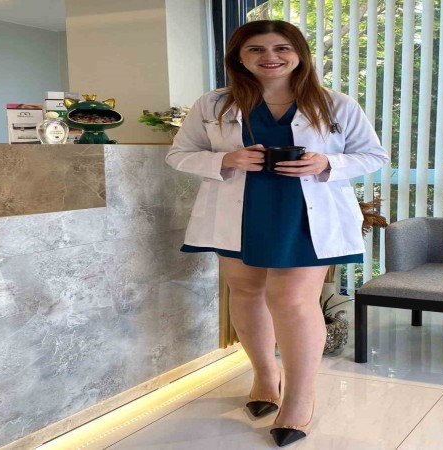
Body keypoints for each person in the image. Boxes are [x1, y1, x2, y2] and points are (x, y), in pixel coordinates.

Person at [165, 20, 387, 447]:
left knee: (291, 301)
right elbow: (180, 154)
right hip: (241, 211)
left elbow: (373, 154)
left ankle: (300, 398)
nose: (270, 56)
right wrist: (225, 159)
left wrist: (327, 163)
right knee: (246, 293)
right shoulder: (214, 104)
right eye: (256, 49)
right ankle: (266, 376)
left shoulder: (334, 104)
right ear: (239, 57)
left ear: (299, 53)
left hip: (303, 214)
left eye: (282, 47)